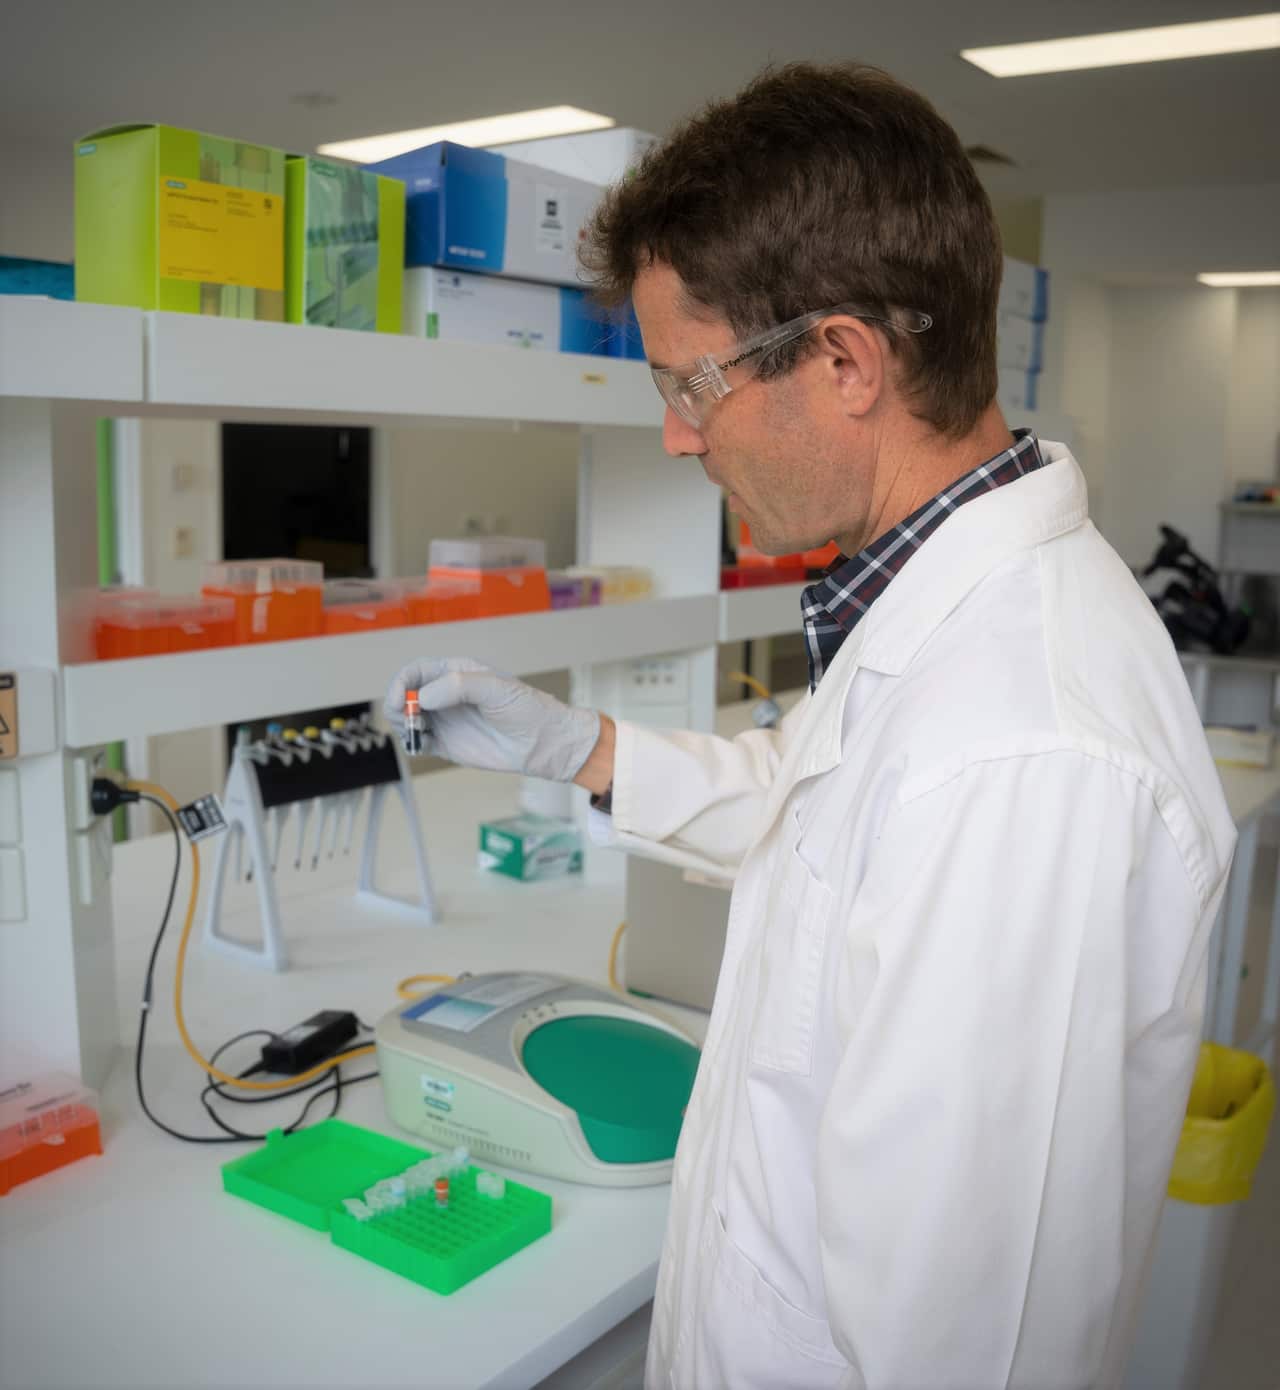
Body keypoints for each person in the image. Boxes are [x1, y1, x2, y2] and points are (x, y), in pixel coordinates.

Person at [386, 63, 1236, 1390]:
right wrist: (580, 751)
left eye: (692, 385)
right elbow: (827, 812)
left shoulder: (1024, 751)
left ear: (843, 361)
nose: (679, 438)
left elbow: (954, 1347)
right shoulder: (938, 623)